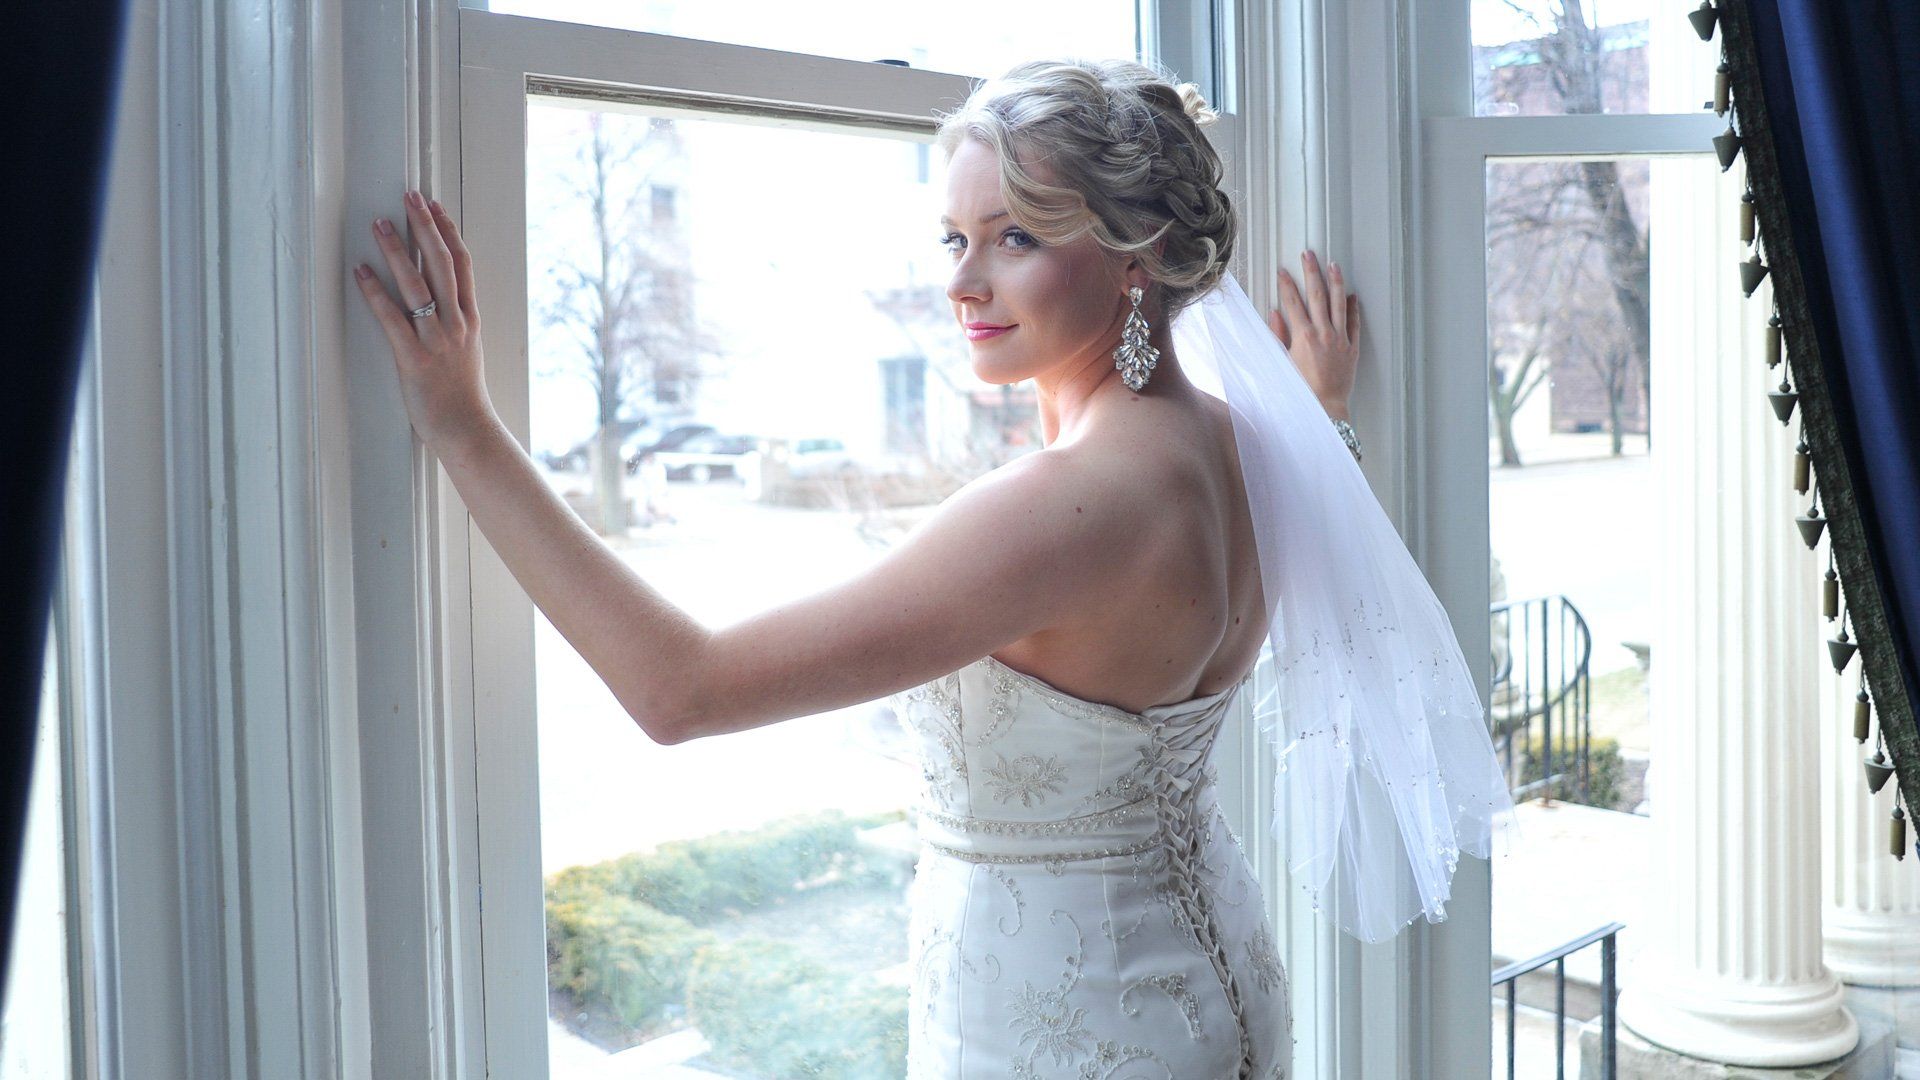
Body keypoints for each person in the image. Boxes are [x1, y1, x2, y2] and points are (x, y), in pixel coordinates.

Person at [352, 56, 1513, 1080]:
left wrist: (462, 426)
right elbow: (1315, 503)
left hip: (1055, 1030)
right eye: (955, 239)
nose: (963, 284)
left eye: (1017, 238)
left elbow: (682, 689)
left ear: (1140, 257)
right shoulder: (1259, 450)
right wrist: (1325, 406)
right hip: (1226, 992)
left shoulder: (1063, 510)